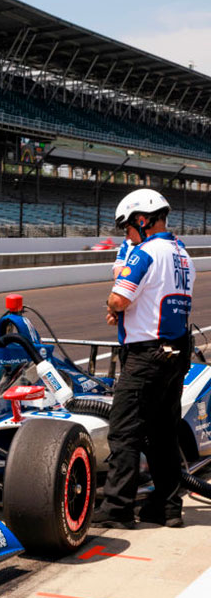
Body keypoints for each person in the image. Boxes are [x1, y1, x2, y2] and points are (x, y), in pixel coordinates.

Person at [92, 188, 193, 530]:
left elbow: (119, 298)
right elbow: (153, 300)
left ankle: (118, 507)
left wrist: (112, 305)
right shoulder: (183, 254)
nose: (127, 235)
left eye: (127, 228)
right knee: (163, 433)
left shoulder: (145, 252)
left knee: (124, 432)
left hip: (146, 355)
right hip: (177, 352)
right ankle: (167, 507)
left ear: (142, 220)